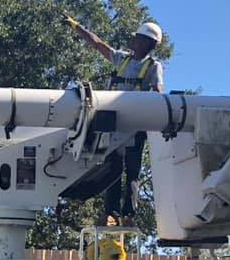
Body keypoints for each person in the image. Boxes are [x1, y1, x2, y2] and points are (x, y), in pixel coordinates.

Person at [65, 14, 164, 225]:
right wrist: (78, 28)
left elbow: (157, 92)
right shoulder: (122, 58)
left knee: (132, 171)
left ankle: (129, 214)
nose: (133, 41)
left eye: (138, 38)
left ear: (148, 43)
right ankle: (111, 213)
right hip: (114, 122)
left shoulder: (153, 67)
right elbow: (98, 44)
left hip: (136, 125)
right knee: (112, 167)